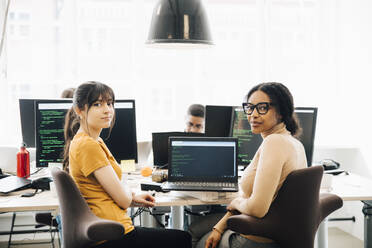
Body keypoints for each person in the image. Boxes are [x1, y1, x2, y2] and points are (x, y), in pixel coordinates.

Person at [63, 81, 192, 248]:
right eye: (97, 104)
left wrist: (133, 198)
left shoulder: (93, 141)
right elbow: (122, 200)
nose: (107, 109)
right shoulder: (88, 145)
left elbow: (106, 192)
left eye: (109, 103)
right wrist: (128, 197)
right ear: (79, 110)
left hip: (110, 227)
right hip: (112, 233)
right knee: (182, 239)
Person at [197, 82, 307, 248]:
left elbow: (257, 209)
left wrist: (235, 203)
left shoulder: (274, 142)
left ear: (282, 112)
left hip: (256, 238)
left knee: (192, 236)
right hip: (273, 233)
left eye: (262, 108)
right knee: (199, 230)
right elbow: (252, 199)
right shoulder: (294, 143)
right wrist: (219, 227)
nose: (253, 115)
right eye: (250, 107)